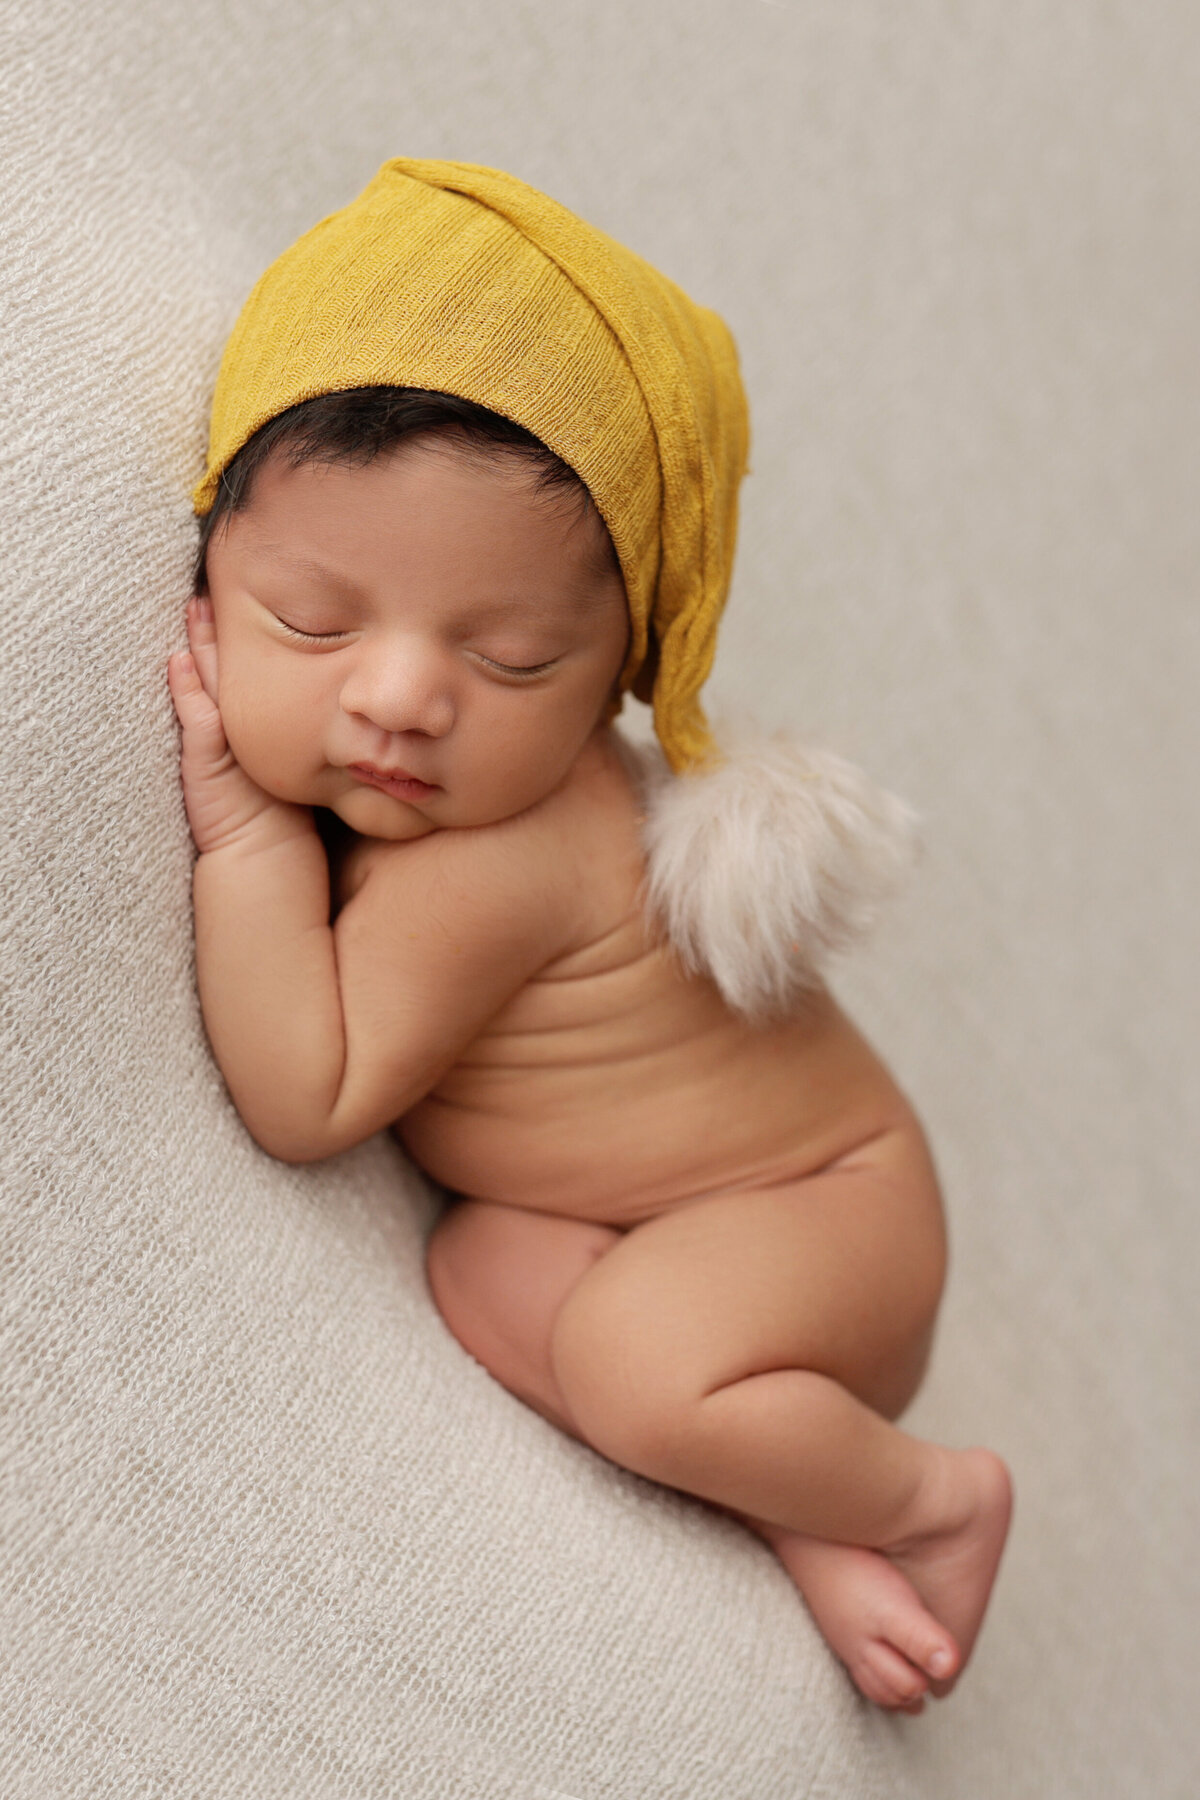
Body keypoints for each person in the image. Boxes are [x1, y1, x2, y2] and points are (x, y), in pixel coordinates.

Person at [167, 158, 1012, 1715]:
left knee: (632, 1355)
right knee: (490, 1272)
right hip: (671, 1233)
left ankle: (925, 1500)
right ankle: (792, 1504)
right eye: (312, 622)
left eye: (508, 655)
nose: (404, 697)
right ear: (211, 562)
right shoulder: (438, 777)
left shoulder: (499, 851)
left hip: (826, 1218)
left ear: (618, 680)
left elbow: (304, 1092)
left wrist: (239, 824)